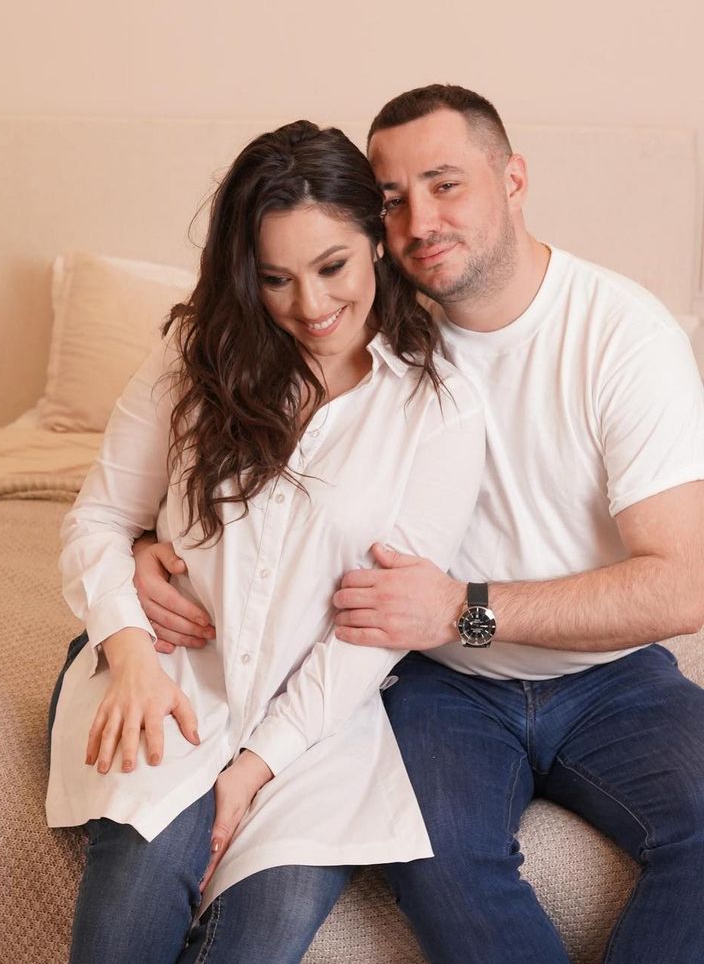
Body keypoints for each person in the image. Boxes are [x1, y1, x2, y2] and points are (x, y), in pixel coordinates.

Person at [134, 86, 704, 964]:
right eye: (393, 199)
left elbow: (684, 583)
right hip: (437, 680)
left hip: (607, 672)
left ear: (513, 178)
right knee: (440, 861)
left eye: (445, 185)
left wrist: (461, 608)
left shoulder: (620, 335)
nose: (419, 222)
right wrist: (142, 545)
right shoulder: (354, 311)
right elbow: (220, 436)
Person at [46, 120, 486, 963]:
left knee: (259, 942)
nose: (310, 307)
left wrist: (253, 766)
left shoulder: (439, 408)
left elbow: (374, 629)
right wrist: (130, 656)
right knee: (122, 928)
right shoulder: (194, 356)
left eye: (332, 267)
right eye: (276, 279)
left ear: (377, 240)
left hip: (315, 727)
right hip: (167, 681)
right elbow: (97, 518)